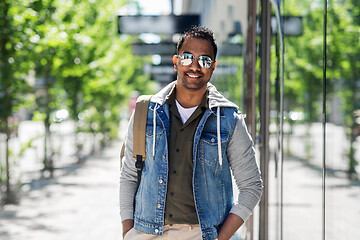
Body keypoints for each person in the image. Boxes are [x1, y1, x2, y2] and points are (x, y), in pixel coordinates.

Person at [120, 26, 263, 240]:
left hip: (201, 234)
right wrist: (128, 232)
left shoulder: (229, 119)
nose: (195, 66)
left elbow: (252, 186)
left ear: (213, 67)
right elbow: (129, 175)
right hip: (147, 232)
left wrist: (221, 237)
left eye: (204, 60)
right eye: (188, 57)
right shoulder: (145, 112)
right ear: (176, 61)